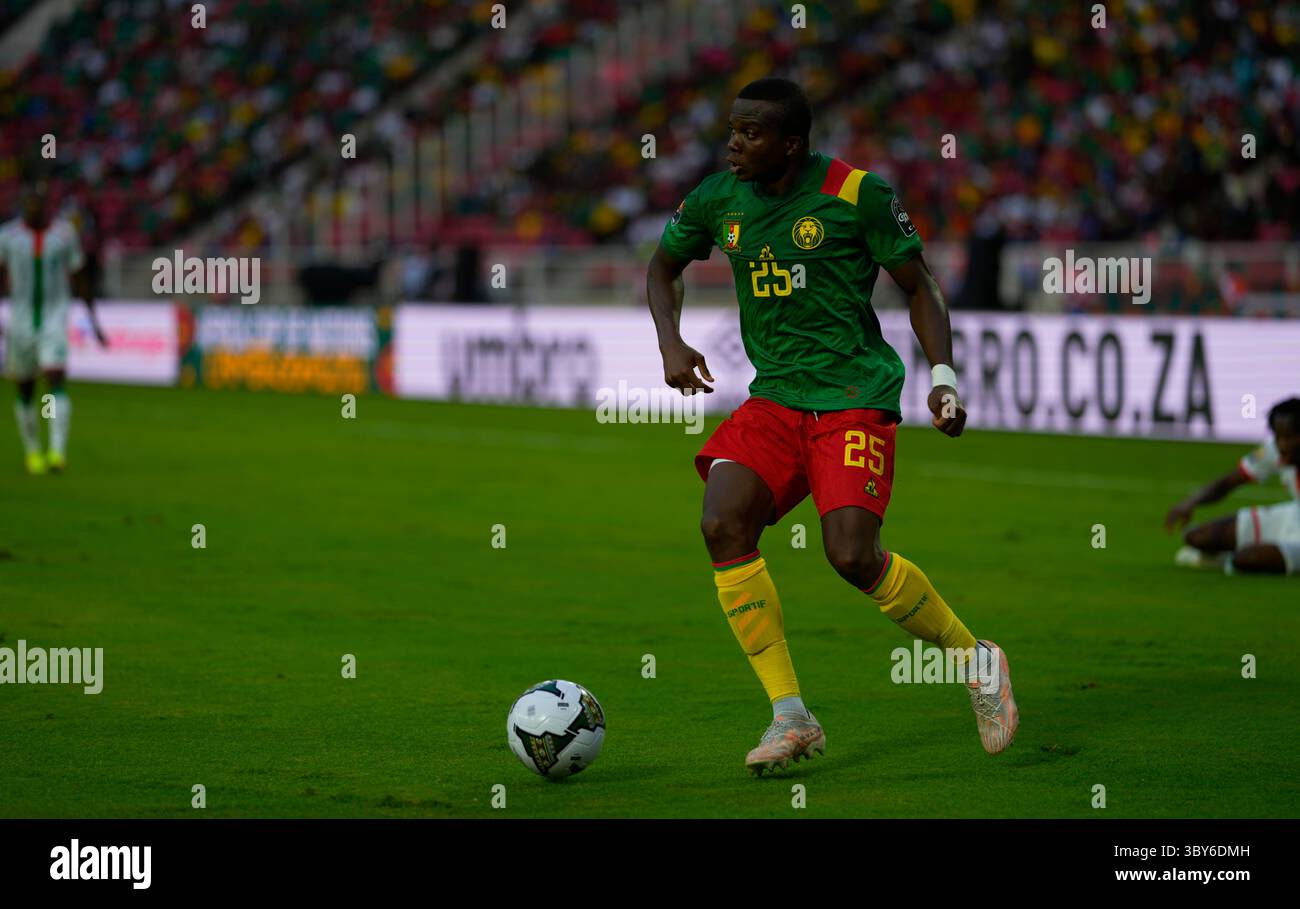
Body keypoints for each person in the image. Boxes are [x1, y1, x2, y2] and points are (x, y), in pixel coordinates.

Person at [646, 77, 1019, 775]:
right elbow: (663, 266)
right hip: (775, 398)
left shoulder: (857, 195)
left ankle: (977, 661)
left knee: (851, 556)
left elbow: (921, 287)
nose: (733, 143)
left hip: (852, 396)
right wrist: (671, 340)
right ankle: (792, 716)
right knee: (722, 522)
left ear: (791, 144)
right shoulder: (716, 201)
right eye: (732, 128)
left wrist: (943, 380)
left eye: (750, 133)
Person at [0, 177, 106, 474]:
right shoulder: (8, 236)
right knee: (25, 388)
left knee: (55, 379)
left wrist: (94, 320)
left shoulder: (63, 234)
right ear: (23, 205)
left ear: (47, 206)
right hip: (19, 322)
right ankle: (33, 451)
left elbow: (79, 276)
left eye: (39, 203)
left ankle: (57, 451)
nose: (35, 209)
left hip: (54, 317)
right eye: (29, 203)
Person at [1167, 398, 1300, 575]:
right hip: (1293, 516)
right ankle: (1236, 558)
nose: (1281, 445)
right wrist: (1190, 502)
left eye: (1289, 437)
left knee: (1246, 559)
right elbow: (1228, 482)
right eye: (1277, 437)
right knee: (1197, 537)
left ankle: (1232, 559)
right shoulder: (1273, 450)